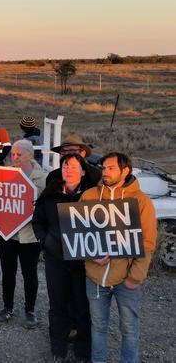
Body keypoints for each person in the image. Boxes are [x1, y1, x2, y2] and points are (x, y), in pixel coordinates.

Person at [82, 152, 157, 363]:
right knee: (98, 327)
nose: (105, 172)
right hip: (95, 278)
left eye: (111, 168)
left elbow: (148, 243)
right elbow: (77, 236)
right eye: (104, 168)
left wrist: (135, 277)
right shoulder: (88, 197)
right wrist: (91, 256)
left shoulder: (141, 202)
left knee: (129, 329)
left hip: (126, 280)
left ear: (125, 171)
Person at [32, 154, 92, 362]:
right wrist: (45, 241)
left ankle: (83, 351)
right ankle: (58, 349)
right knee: (57, 305)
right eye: (65, 166)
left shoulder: (92, 196)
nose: (69, 170)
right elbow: (37, 221)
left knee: (82, 307)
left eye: (74, 167)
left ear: (83, 171)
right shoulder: (51, 194)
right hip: (56, 260)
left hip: (83, 263)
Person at [0, 140, 46, 329]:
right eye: (13, 154)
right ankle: (7, 307)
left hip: (29, 236)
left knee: (29, 273)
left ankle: (29, 310)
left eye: (19, 154)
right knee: (8, 272)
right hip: (6, 234)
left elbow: (45, 207)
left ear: (30, 155)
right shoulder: (5, 174)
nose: (14, 158)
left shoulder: (42, 178)